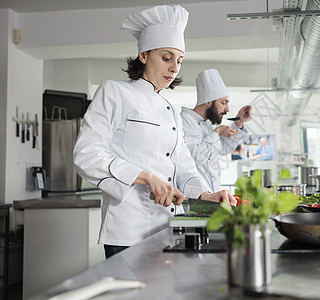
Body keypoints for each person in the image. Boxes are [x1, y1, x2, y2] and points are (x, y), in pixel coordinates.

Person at [73, 5, 235, 259]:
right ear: (144, 55)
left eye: (179, 61)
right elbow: (87, 155)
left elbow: (184, 166)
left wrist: (205, 195)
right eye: (166, 57)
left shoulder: (171, 109)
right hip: (128, 231)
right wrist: (147, 177)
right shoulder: (115, 92)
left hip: (168, 228)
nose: (174, 68)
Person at [181, 69, 252, 192]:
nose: (227, 109)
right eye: (223, 103)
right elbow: (194, 157)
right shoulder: (185, 121)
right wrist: (217, 132)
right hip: (194, 196)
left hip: (211, 194)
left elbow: (223, 148)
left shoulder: (206, 125)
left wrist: (239, 122)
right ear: (208, 101)